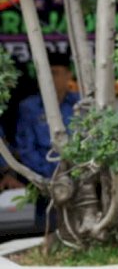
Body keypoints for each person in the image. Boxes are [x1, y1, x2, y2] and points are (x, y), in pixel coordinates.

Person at [15, 52, 80, 229]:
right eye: (47, 73)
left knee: (81, 230)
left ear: (68, 75)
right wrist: (51, 176)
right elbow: (26, 148)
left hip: (80, 182)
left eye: (55, 72)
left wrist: (75, 173)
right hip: (45, 183)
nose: (50, 78)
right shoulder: (29, 107)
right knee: (46, 231)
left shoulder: (79, 104)